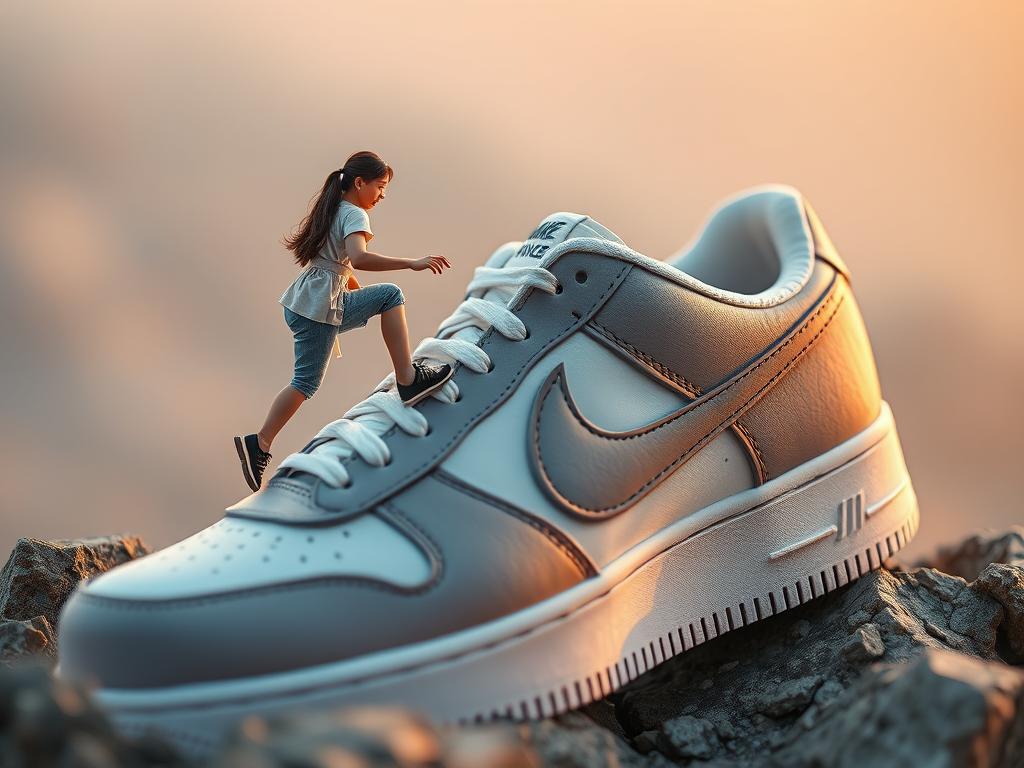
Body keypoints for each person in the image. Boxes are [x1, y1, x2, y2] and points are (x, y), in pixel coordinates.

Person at [233, 150, 453, 492]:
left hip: (308, 300)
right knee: (306, 382)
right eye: (380, 186)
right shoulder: (355, 215)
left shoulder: (334, 208)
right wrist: (412, 262)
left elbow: (337, 261)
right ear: (360, 182)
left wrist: (353, 288)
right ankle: (260, 443)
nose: (382, 195)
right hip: (318, 308)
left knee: (384, 300)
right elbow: (359, 257)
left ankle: (260, 442)